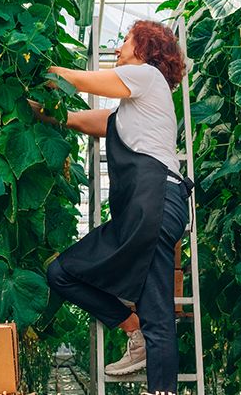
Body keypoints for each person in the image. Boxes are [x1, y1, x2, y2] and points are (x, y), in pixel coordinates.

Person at [33, 20, 190, 395]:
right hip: (141, 212)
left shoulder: (147, 77)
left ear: (145, 50)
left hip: (155, 203)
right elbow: (74, 120)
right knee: (61, 272)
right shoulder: (130, 113)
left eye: (125, 41)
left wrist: (42, 68)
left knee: (158, 313)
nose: (119, 48)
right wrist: (33, 108)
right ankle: (132, 329)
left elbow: (81, 82)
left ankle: (159, 381)